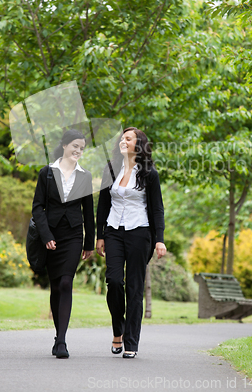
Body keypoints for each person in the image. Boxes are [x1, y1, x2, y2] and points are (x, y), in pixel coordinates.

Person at [96, 127, 167, 358]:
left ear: (138, 144)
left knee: (135, 288)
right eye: (122, 138)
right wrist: (100, 235)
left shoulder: (149, 173)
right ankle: (118, 329)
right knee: (114, 282)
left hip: (140, 232)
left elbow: (157, 209)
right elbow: (103, 205)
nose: (123, 141)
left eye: (128, 138)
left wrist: (159, 240)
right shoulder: (111, 170)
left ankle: (131, 342)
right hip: (114, 231)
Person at [32, 129, 95, 359]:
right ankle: (58, 335)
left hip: (73, 236)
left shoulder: (85, 176)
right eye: (75, 146)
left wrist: (89, 242)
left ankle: (61, 341)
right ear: (65, 145)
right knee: (56, 285)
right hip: (51, 235)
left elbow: (89, 211)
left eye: (82, 148)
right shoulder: (47, 173)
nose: (78, 151)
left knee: (67, 282)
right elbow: (38, 207)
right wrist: (46, 234)